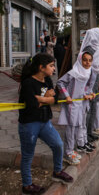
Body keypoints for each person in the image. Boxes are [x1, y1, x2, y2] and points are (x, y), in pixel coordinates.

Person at [19, 53, 73, 194]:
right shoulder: (28, 84)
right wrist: (45, 98)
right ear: (41, 67)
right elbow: (32, 105)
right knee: (27, 155)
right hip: (29, 124)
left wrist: (42, 99)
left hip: (45, 122)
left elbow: (54, 99)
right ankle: (27, 185)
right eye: (51, 66)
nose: (53, 68)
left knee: (58, 145)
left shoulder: (48, 80)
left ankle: (57, 171)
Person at [57, 49, 96, 165]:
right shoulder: (73, 73)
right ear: (80, 60)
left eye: (90, 61)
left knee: (77, 127)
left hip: (79, 104)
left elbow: (81, 89)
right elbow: (60, 83)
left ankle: (71, 150)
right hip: (71, 104)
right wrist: (67, 96)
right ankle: (67, 153)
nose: (87, 63)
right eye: (85, 60)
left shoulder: (87, 72)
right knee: (71, 128)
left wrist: (87, 95)